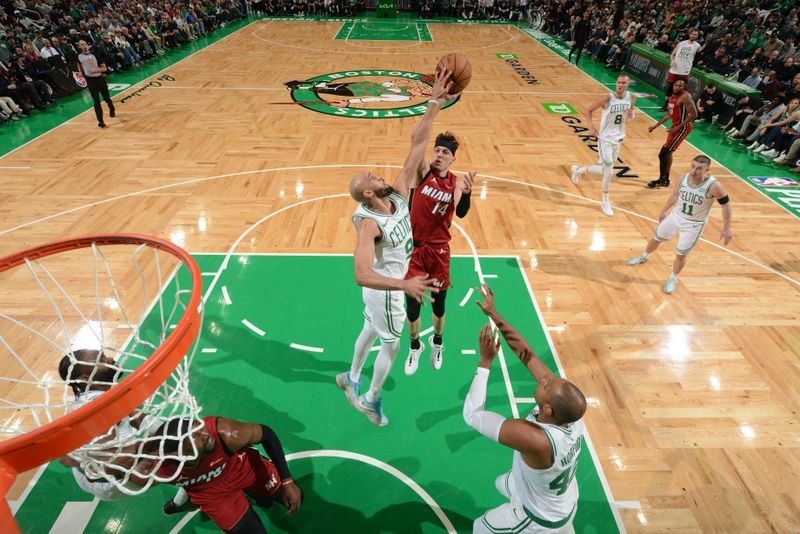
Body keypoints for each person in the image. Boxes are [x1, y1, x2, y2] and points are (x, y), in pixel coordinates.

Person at [336, 68, 456, 426]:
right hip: (386, 290)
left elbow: (417, 143)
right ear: (368, 194)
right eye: (373, 178)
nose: (379, 174)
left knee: (370, 330)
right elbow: (361, 273)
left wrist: (434, 103)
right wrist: (403, 285)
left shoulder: (399, 193)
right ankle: (371, 399)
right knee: (390, 344)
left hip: (384, 292)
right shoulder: (369, 224)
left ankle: (350, 377)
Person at [465, 285, 587, 533]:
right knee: (503, 483)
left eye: (547, 383)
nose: (543, 378)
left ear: (548, 409)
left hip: (539, 518)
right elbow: (527, 355)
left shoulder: (537, 439)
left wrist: (485, 362)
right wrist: (494, 314)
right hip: (562, 499)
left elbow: (472, 416)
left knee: (480, 527)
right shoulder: (569, 415)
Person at [57, 349, 189, 507]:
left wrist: (172, 432)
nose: (111, 359)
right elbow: (98, 466)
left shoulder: (97, 393)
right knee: (190, 448)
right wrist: (166, 446)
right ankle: (188, 495)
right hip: (108, 482)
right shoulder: (96, 411)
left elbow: (137, 417)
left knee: (182, 435)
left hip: (90, 471)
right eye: (101, 360)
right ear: (85, 378)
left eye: (104, 356)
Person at [403, 134, 475, 375]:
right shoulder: (422, 173)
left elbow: (462, 212)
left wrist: (466, 193)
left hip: (439, 251)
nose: (439, 155)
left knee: (438, 305)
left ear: (452, 159)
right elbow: (417, 143)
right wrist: (434, 104)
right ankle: (415, 345)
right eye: (437, 150)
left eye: (445, 153)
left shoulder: (455, 184)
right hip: (414, 250)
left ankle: (437, 340)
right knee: (412, 307)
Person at [156, 416, 303, 533]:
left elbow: (267, 435)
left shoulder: (225, 433)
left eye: (197, 425)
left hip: (243, 469)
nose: (204, 432)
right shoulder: (160, 469)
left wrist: (287, 480)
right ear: (177, 453)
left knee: (293, 498)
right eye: (195, 435)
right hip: (213, 495)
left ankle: (253, 490)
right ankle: (180, 503)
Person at [627, 155, 733, 294]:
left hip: (694, 224)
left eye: (699, 169)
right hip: (676, 216)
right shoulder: (683, 178)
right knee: (656, 238)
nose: (694, 171)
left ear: (707, 170)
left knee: (681, 254)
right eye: (692, 166)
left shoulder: (714, 186)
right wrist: (663, 211)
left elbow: (726, 206)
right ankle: (644, 256)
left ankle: (673, 277)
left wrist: (726, 228)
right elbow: (675, 195)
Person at [570, 74, 636, 216]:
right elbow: (588, 110)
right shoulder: (608, 98)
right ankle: (605, 201)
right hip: (605, 139)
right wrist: (591, 127)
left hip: (619, 139)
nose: (620, 85)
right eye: (618, 82)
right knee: (609, 171)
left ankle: (579, 170)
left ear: (628, 84)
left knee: (605, 169)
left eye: (623, 83)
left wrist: (631, 115)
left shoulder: (632, 97)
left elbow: (629, 117)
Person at [647, 79, 697, 189]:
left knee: (663, 153)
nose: (677, 87)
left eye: (680, 85)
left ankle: (662, 179)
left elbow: (694, 114)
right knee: (668, 153)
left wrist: (677, 127)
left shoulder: (685, 97)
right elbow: (669, 114)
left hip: (682, 128)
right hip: (675, 128)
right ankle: (665, 179)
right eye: (676, 85)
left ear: (684, 87)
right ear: (673, 86)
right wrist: (655, 126)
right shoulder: (672, 97)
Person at [77, 39, 115, 128]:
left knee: (106, 98)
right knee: (96, 101)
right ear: (79, 47)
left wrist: (95, 70)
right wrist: (81, 73)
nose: (84, 46)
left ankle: (112, 108)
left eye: (85, 44)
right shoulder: (78, 56)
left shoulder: (95, 55)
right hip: (90, 81)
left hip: (99, 79)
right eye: (82, 44)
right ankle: (100, 121)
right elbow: (79, 64)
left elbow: (104, 68)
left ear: (87, 45)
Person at [662, 29, 702, 111]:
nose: (693, 36)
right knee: (670, 88)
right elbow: (672, 54)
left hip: (684, 71)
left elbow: (699, 56)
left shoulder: (697, 46)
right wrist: (672, 61)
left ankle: (677, 106)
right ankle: (666, 105)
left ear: (697, 37)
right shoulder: (681, 43)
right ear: (689, 34)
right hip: (674, 69)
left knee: (681, 90)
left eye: (695, 35)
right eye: (692, 34)